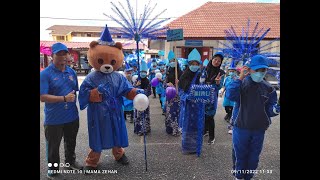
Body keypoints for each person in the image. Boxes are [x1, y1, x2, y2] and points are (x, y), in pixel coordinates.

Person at [226, 55, 279, 180]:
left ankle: (249, 176)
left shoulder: (269, 89)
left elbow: (270, 110)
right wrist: (240, 78)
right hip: (241, 126)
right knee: (240, 154)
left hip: (259, 129)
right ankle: (238, 176)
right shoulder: (241, 84)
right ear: (249, 70)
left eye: (263, 70)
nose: (260, 73)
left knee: (254, 156)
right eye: (257, 70)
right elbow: (230, 95)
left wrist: (276, 110)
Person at [40, 42, 83, 179]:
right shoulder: (45, 74)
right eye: (59, 54)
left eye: (65, 53)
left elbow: (76, 92)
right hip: (54, 119)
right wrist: (63, 98)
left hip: (72, 116)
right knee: (53, 146)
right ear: (52, 56)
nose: (63, 56)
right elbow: (42, 97)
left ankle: (70, 162)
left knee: (71, 142)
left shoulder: (72, 72)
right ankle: (53, 168)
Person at [178, 48, 205, 155]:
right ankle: (187, 147)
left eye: (196, 64)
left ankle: (196, 146)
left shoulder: (202, 75)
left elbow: (206, 89)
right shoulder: (184, 75)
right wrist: (186, 97)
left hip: (199, 106)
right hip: (188, 106)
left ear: (199, 64)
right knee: (188, 125)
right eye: (192, 63)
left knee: (197, 125)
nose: (194, 66)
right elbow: (180, 91)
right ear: (189, 64)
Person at [203, 52, 225, 145]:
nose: (216, 62)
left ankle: (212, 137)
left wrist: (216, 83)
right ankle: (205, 130)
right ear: (212, 59)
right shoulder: (204, 70)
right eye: (215, 59)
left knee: (210, 116)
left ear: (220, 63)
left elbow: (219, 87)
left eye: (219, 61)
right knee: (203, 115)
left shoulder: (221, 73)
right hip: (202, 95)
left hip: (212, 98)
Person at [165, 51, 183, 136]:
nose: (172, 63)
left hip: (177, 96)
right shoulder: (168, 72)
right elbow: (164, 83)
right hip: (169, 96)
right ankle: (169, 128)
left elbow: (184, 84)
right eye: (171, 61)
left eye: (174, 61)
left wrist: (179, 83)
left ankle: (176, 130)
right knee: (169, 112)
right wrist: (167, 84)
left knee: (176, 112)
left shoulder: (181, 72)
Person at [133, 60, 152, 135]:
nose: (143, 73)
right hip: (137, 101)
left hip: (144, 101)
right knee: (138, 115)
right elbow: (132, 90)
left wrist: (142, 91)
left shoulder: (148, 81)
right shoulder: (137, 80)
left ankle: (145, 129)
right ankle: (138, 129)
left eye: (144, 71)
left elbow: (149, 92)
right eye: (142, 71)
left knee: (145, 115)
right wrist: (137, 86)